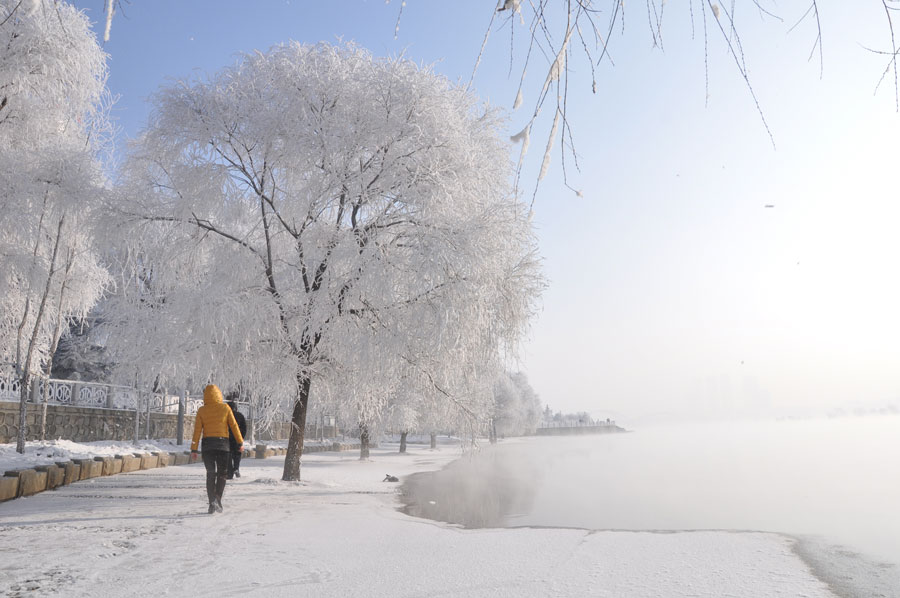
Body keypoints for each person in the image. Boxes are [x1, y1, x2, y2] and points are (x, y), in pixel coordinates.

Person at [191, 384, 244, 514]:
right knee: (222, 474)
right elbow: (234, 426)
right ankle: (217, 499)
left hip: (207, 446)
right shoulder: (225, 408)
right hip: (223, 446)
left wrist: (194, 449)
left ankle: (211, 503)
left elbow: (197, 431)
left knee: (210, 474)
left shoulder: (202, 410)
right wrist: (240, 442)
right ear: (219, 395)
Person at [226, 398, 247, 480]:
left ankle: (229, 472)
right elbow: (244, 428)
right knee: (237, 454)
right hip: (237, 439)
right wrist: (241, 437)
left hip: (227, 439)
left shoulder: (226, 416)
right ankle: (236, 468)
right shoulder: (240, 416)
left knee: (228, 455)